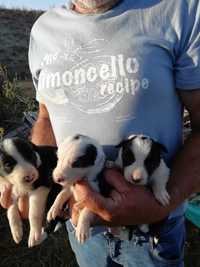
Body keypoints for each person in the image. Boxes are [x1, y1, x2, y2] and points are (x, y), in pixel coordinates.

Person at [1, 0, 200, 266]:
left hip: (152, 230)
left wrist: (162, 202)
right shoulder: (43, 30)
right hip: (82, 227)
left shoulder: (179, 10)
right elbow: (48, 117)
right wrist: (34, 178)